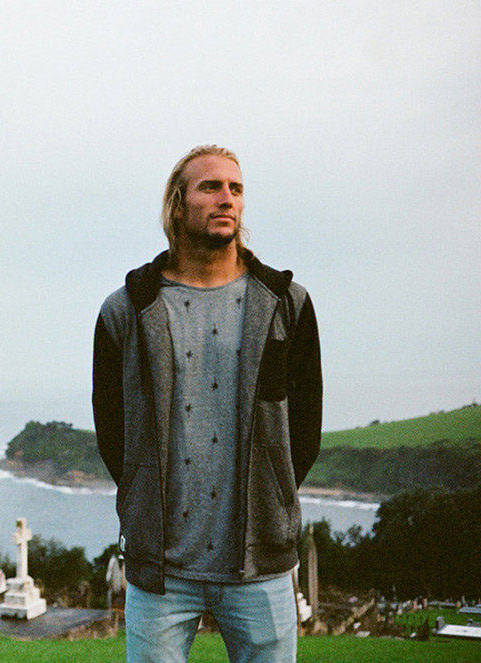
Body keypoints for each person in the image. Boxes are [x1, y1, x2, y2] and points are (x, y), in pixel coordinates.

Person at [92, 145, 322, 662]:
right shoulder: (125, 311)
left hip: (260, 562)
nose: (227, 199)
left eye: (236, 189)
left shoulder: (287, 304)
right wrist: (141, 496)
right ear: (178, 205)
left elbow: (305, 429)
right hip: (161, 565)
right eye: (211, 187)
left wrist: (274, 493)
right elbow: (112, 432)